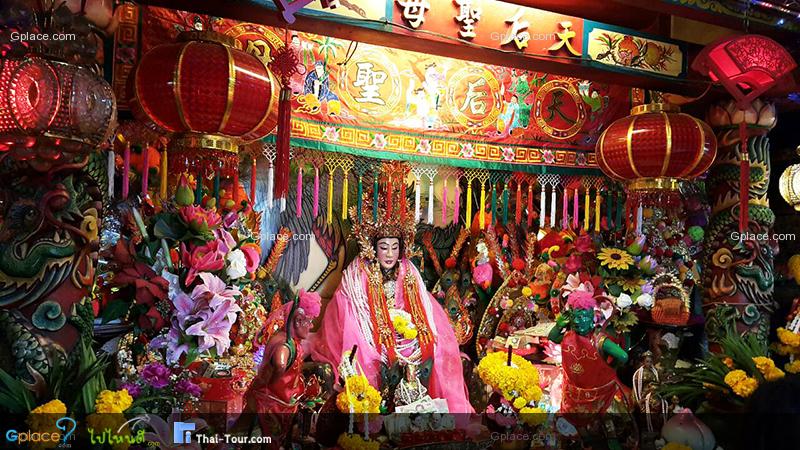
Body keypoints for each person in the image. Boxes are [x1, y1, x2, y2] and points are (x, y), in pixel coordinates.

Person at [310, 206, 473, 413]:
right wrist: (379, 325)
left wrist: (406, 325)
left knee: (435, 346)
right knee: (367, 356)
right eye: (384, 247)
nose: (389, 254)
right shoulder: (358, 271)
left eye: (395, 247)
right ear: (373, 248)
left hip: (406, 335)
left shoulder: (408, 271)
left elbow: (422, 307)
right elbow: (351, 311)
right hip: (369, 331)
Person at [245, 289, 321, 439]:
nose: (311, 326)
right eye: (310, 321)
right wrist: (272, 384)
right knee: (270, 438)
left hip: (275, 398)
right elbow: (280, 365)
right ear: (298, 321)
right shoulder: (285, 346)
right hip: (272, 402)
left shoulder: (284, 338)